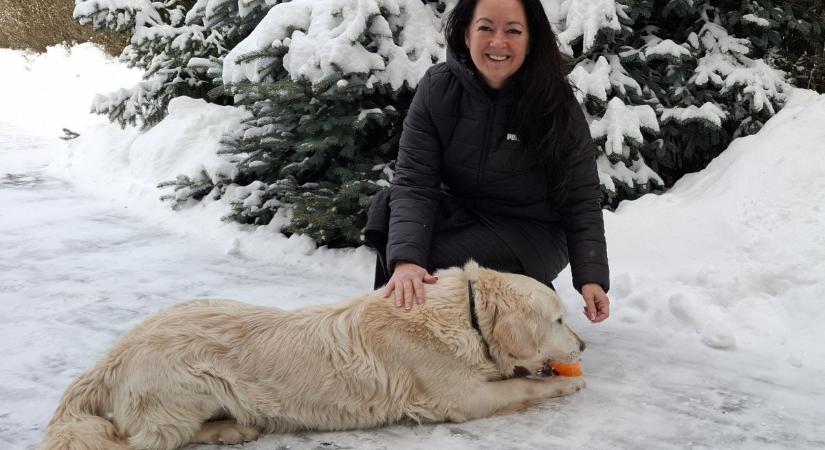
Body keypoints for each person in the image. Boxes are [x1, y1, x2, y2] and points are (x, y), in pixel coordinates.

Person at [364, 0, 610, 323]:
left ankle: (522, 295)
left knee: (436, 262)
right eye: (486, 28)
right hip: (467, 214)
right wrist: (407, 261)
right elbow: (414, 182)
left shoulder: (555, 102)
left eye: (513, 31)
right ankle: (393, 319)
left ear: (530, 40)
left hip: (532, 231)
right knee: (387, 215)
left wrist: (591, 277)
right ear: (467, 34)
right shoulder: (437, 89)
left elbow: (581, 198)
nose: (498, 42)